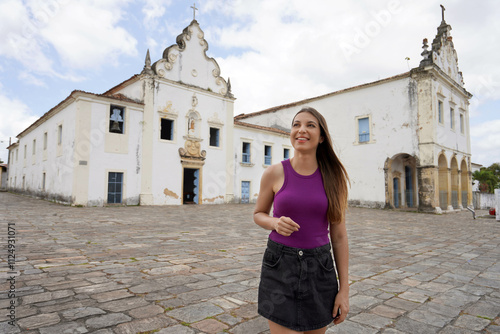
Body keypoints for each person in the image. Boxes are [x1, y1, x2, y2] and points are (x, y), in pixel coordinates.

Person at [254, 107, 350, 333]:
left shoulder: (334, 178)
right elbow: (258, 214)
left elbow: (339, 235)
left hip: (320, 270)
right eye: (296, 124)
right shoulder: (274, 173)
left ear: (322, 137)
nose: (301, 130)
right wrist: (274, 223)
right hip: (279, 266)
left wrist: (344, 289)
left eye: (310, 125)